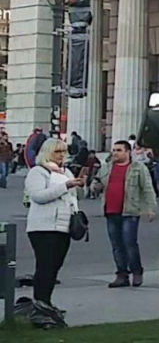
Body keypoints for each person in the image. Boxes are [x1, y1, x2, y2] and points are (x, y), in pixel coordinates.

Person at [24, 138, 85, 328]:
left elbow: (74, 196)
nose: (61, 156)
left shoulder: (66, 171)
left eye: (63, 152)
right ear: (48, 152)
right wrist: (65, 186)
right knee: (45, 266)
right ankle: (40, 307)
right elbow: (39, 196)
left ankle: (46, 303)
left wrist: (79, 185)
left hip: (63, 226)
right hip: (43, 227)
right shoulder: (38, 171)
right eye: (57, 152)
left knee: (54, 268)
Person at [91, 140, 158, 288]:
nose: (115, 153)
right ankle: (122, 274)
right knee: (116, 245)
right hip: (110, 211)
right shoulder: (107, 167)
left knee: (129, 243)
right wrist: (95, 186)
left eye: (119, 150)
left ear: (128, 152)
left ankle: (136, 271)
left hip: (130, 211)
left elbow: (147, 188)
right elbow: (96, 183)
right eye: (114, 150)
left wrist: (151, 208)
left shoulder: (138, 168)